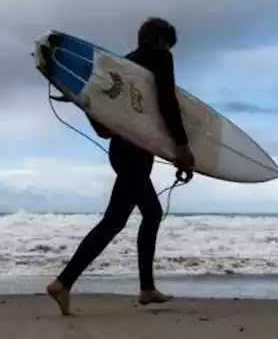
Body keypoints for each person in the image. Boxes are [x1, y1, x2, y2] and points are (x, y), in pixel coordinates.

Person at [46, 17, 195, 315]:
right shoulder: (159, 58)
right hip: (135, 151)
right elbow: (166, 101)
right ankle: (66, 282)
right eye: (169, 43)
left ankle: (144, 288)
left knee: (138, 216)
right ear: (161, 40)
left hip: (122, 148)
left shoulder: (122, 66)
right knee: (130, 218)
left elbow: (104, 116)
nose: (170, 49)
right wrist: (181, 145)